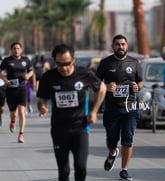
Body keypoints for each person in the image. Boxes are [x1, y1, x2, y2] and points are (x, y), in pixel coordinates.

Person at [36, 44, 106, 181]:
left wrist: (94, 111)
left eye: (67, 63)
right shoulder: (48, 77)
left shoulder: (84, 74)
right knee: (64, 171)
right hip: (59, 130)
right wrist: (42, 107)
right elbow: (41, 99)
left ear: (73, 59)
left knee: (80, 167)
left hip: (80, 128)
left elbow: (102, 88)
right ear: (54, 62)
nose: (63, 68)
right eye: (59, 64)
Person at [96, 34, 143, 180]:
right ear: (113, 46)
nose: (120, 47)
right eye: (117, 44)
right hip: (111, 109)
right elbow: (95, 83)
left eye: (123, 44)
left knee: (127, 139)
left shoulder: (134, 63)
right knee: (111, 140)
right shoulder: (105, 63)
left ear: (127, 46)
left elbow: (141, 82)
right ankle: (112, 153)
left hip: (130, 108)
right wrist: (106, 87)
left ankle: (124, 170)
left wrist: (137, 86)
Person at [0, 42, 34, 143]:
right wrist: (5, 80)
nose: (16, 50)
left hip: (22, 88)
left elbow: (31, 71)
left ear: (21, 50)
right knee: (13, 114)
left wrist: (28, 75)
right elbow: (0, 72)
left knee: (21, 111)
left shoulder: (26, 60)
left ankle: (21, 134)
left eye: (18, 48)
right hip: (11, 90)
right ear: (11, 50)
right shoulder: (7, 60)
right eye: (14, 48)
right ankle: (13, 121)